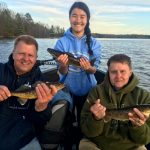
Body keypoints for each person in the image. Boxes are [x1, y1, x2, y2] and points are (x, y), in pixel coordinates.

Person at [54, 1, 101, 149]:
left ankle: (82, 143)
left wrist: (89, 68)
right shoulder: (61, 42)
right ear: (69, 18)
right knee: (65, 119)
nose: (78, 20)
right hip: (66, 87)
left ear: (87, 20)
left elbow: (95, 69)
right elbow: (62, 72)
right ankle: (67, 143)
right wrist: (62, 65)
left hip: (87, 88)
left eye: (82, 16)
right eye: (74, 16)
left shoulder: (94, 43)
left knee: (84, 121)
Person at [79, 54, 150, 150]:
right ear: (108, 73)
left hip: (130, 145)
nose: (118, 76)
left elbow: (144, 140)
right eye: (113, 72)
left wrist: (138, 126)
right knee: (84, 146)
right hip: (98, 144)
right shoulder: (96, 92)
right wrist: (96, 119)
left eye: (123, 71)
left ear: (130, 72)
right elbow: (87, 132)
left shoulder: (144, 95)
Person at [0, 35, 58, 150]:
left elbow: (41, 121)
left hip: (25, 140)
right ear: (13, 53)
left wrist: (42, 107)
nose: (26, 59)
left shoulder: (40, 82)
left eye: (30, 55)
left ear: (36, 58)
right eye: (21, 53)